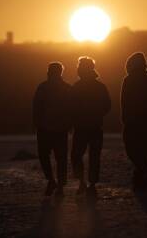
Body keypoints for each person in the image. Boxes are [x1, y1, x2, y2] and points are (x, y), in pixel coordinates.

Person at [71, 56, 111, 197]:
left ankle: (83, 183)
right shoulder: (100, 87)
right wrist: (97, 114)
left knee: (77, 155)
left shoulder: (76, 87)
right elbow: (107, 106)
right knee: (94, 156)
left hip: (83, 127)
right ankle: (90, 184)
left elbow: (70, 107)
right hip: (94, 127)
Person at [33, 62, 72, 196]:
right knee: (60, 158)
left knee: (45, 156)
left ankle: (52, 181)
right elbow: (72, 109)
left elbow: (36, 107)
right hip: (59, 129)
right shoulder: (67, 88)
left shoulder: (43, 87)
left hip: (45, 128)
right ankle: (59, 185)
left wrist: (37, 123)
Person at [121, 52, 147, 190]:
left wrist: (125, 117)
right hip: (145, 120)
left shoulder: (129, 79)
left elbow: (124, 101)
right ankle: (142, 172)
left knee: (133, 149)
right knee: (144, 149)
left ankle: (141, 172)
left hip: (134, 120)